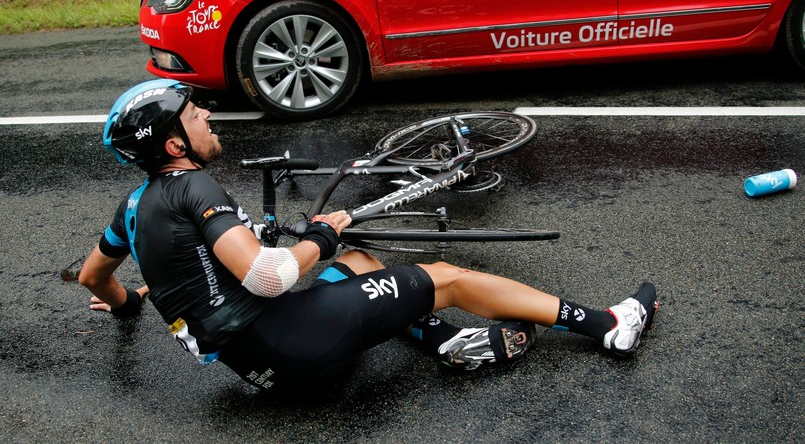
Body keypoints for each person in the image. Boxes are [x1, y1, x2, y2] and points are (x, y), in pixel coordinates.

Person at [79, 79, 659, 390]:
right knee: (446, 278)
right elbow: (267, 275)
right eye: (191, 113)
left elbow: (92, 276)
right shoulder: (196, 188)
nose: (204, 113)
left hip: (255, 365)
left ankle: (446, 343)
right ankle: (609, 326)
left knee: (356, 264)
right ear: (175, 145)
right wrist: (319, 236)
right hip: (296, 347)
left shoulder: (133, 206)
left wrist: (129, 303)